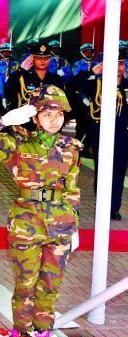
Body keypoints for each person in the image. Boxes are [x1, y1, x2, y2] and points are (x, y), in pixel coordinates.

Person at [0, 85, 81, 332]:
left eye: (59, 115)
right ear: (35, 117)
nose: (54, 120)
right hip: (26, 224)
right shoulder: (18, 143)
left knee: (50, 287)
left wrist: (75, 225)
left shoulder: (71, 147)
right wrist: (4, 120)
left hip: (60, 224)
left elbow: (71, 188)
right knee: (25, 287)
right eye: (47, 115)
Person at [79, 49, 128, 220]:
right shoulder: (97, 84)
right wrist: (93, 71)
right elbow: (73, 85)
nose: (117, 67)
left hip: (123, 137)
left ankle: (113, 208)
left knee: (119, 172)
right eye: (114, 64)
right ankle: (102, 206)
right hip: (102, 135)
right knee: (102, 172)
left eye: (120, 63)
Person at [4, 43, 65, 111]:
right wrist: (20, 70)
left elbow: (61, 102)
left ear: (49, 59)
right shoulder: (22, 77)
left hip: (47, 118)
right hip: (26, 118)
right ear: (32, 59)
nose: (42, 61)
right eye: (39, 58)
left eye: (46, 58)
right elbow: (8, 91)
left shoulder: (56, 79)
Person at [0, 42, 20, 110]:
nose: (7, 54)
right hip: (3, 93)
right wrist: (3, 97)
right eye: (4, 52)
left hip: (15, 94)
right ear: (0, 53)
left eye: (8, 52)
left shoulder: (16, 65)